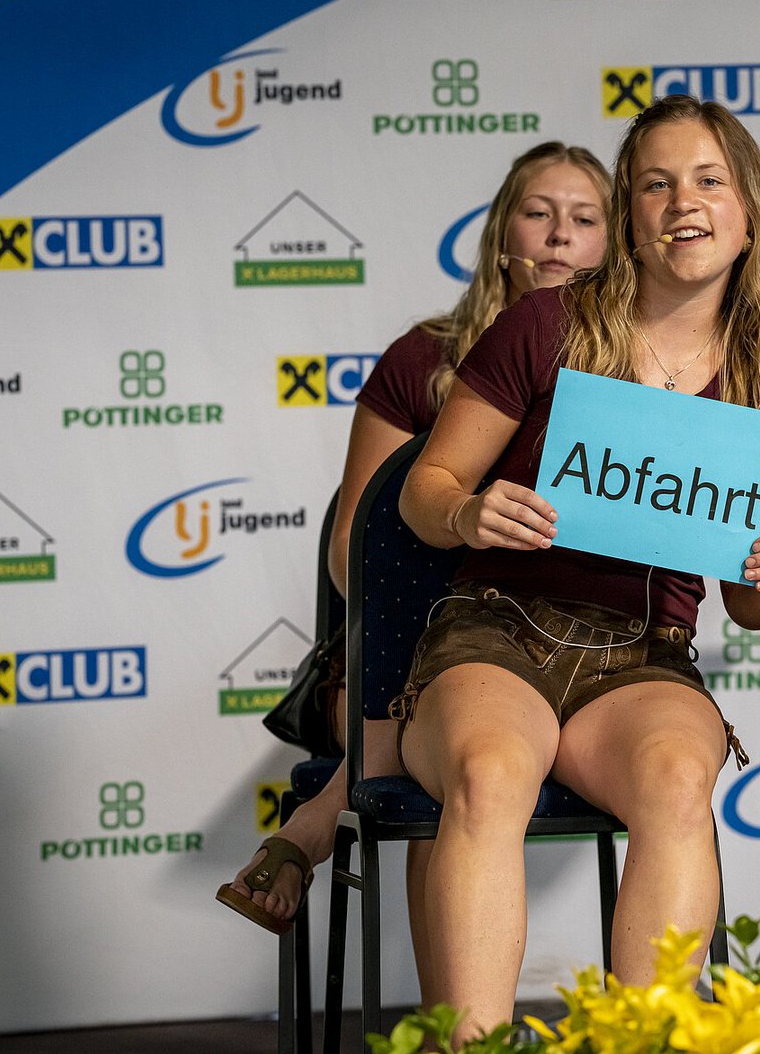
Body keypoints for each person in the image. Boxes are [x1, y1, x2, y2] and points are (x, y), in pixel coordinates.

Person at [396, 94, 760, 1041]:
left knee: (677, 780)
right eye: (656, 185)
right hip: (498, 626)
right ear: (629, 217)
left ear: (750, 213)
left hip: (644, 654)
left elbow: (750, 607)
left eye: (709, 181)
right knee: (493, 771)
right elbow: (425, 490)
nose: (683, 202)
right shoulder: (545, 324)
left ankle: (645, 1038)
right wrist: (467, 511)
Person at [218, 142, 612, 973]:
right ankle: (458, 1028)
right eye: (538, 213)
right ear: (501, 235)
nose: (559, 236)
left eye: (584, 219)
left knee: (474, 726)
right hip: (391, 660)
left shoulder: (637, 375)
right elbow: (350, 550)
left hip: (561, 660)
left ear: (613, 245)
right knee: (459, 741)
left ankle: (309, 830)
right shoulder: (423, 360)